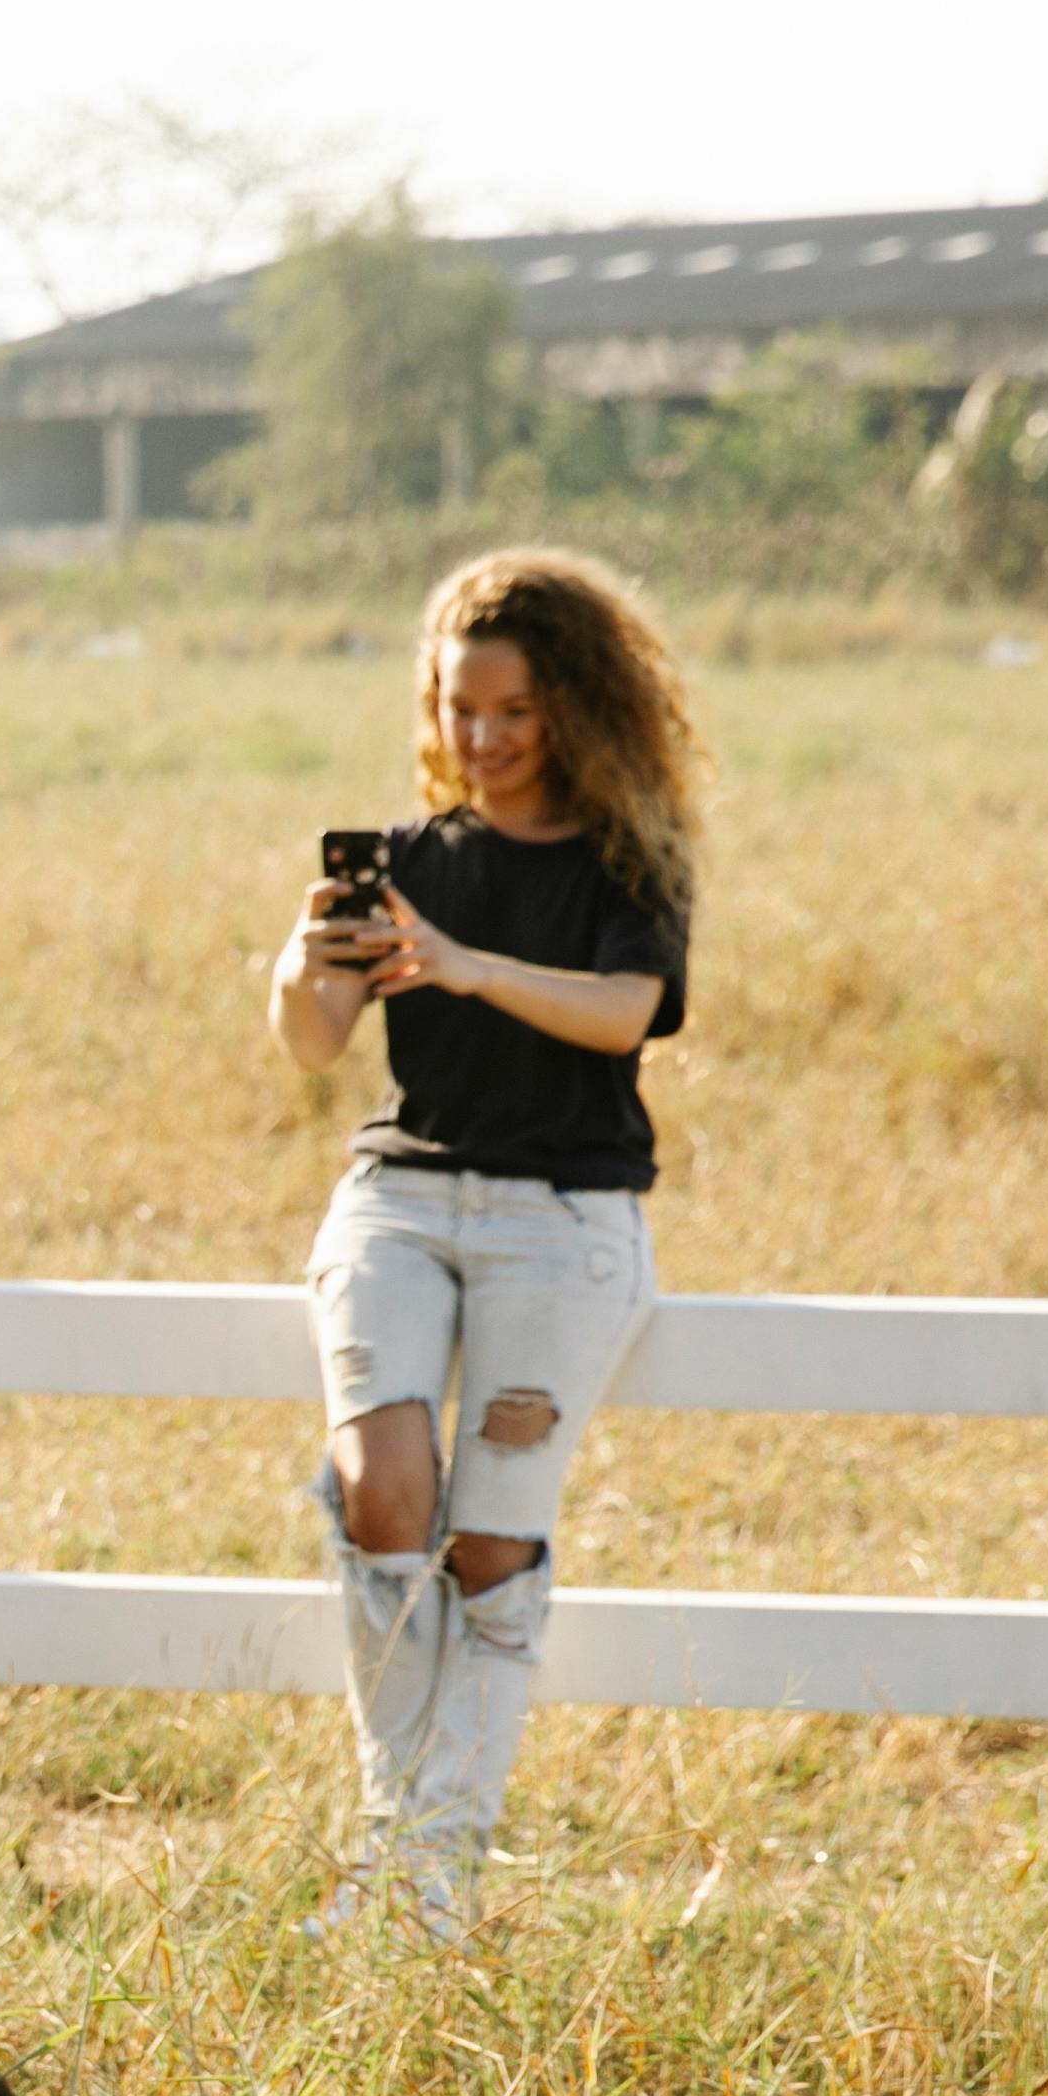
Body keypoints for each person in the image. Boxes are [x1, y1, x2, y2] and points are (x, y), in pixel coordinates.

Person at [262, 548, 703, 1938]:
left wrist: (461, 965)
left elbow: (627, 1013)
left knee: (490, 1548)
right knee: (381, 1490)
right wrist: (301, 965)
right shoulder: (407, 861)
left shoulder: (632, 858)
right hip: (403, 1198)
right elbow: (315, 1048)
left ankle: (420, 1873)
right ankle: (412, 1849)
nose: (484, 739)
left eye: (512, 710)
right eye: (460, 709)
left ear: (572, 705)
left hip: (562, 1221)